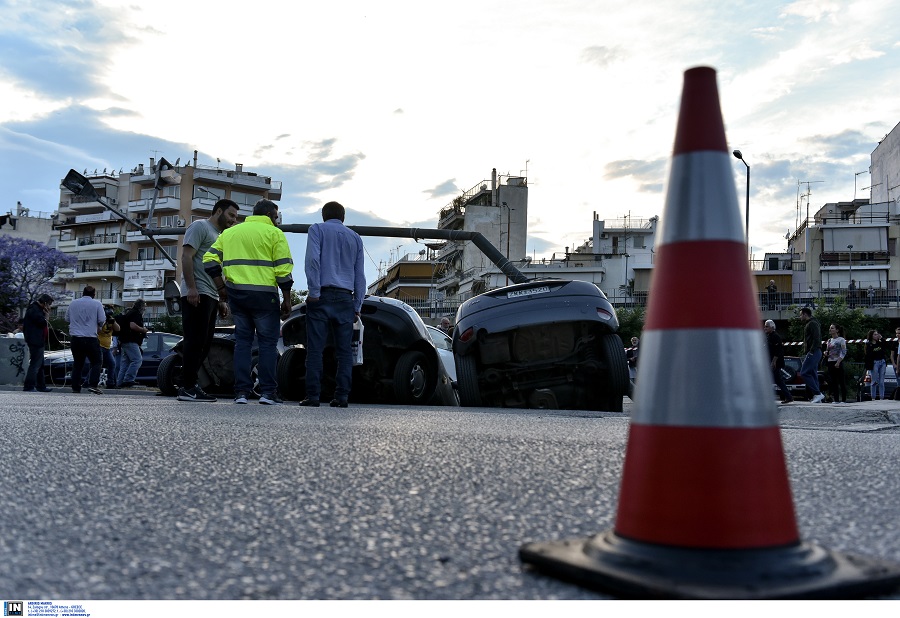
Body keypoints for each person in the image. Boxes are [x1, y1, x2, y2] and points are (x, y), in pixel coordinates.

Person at [204, 199, 293, 405]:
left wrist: (221, 288)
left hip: (238, 295)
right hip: (265, 297)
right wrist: (287, 300)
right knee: (268, 345)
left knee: (242, 344)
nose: (277, 221)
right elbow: (282, 270)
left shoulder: (230, 233)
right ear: (270, 215)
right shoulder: (275, 234)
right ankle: (268, 393)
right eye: (276, 217)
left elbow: (209, 259)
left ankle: (241, 393)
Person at [301, 201, 366, 408]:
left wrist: (314, 292)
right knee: (345, 351)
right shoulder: (355, 237)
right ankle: (342, 396)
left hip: (322, 296)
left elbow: (313, 261)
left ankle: (312, 396)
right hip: (346, 298)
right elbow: (360, 275)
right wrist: (357, 305)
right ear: (343, 217)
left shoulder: (317, 229)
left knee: (315, 350)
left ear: (323, 215)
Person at [176, 198, 239, 402]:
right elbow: (186, 257)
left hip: (211, 294)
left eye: (235, 217)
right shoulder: (200, 226)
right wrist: (191, 288)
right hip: (197, 292)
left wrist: (221, 299)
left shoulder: (219, 236)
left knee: (204, 342)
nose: (233, 220)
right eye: (231, 215)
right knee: (195, 341)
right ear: (218, 211)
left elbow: (215, 268)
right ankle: (187, 387)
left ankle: (189, 385)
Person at [65, 285, 105, 394]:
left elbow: (67, 318)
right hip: (90, 337)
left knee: (78, 363)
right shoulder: (97, 304)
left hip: (76, 338)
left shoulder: (73, 303)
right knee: (97, 361)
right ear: (94, 294)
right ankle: (93, 384)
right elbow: (102, 320)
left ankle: (75, 387)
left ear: (82, 293)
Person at [22, 293, 54, 392]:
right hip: (35, 340)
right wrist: (47, 315)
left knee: (40, 365)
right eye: (49, 304)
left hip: (36, 339)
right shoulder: (35, 310)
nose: (49, 307)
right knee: (35, 364)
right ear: (45, 303)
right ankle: (29, 385)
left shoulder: (34, 309)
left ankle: (41, 385)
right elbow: (43, 323)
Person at [82, 306, 120, 388]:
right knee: (97, 364)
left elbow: (118, 329)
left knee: (112, 364)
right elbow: (97, 330)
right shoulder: (99, 320)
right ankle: (87, 382)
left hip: (107, 347)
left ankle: (111, 383)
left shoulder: (111, 320)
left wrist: (112, 321)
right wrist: (103, 321)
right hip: (99, 346)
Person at [116, 298, 148, 388]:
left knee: (125, 363)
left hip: (124, 340)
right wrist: (143, 330)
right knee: (137, 360)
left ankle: (120, 382)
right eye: (144, 307)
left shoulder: (129, 313)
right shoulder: (136, 314)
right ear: (141, 306)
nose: (145, 309)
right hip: (131, 340)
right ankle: (129, 380)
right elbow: (133, 326)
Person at [798, 307, 824, 403]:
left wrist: (811, 351)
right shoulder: (812, 323)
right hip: (815, 351)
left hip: (814, 351)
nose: (800, 317)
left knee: (804, 373)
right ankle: (818, 397)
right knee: (813, 374)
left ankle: (817, 394)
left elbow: (816, 338)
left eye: (801, 314)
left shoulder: (812, 323)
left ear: (805, 314)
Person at [764, 320, 792, 404]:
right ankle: (788, 397)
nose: (765, 328)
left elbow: (778, 350)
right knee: (776, 380)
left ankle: (788, 397)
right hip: (770, 362)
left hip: (776, 363)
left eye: (767, 326)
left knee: (775, 380)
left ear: (772, 327)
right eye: (765, 326)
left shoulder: (775, 336)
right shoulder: (769, 336)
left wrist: (773, 362)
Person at [825, 323, 847, 404]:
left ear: (837, 330)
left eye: (832, 328)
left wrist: (838, 361)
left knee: (841, 381)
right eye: (830, 328)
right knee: (833, 382)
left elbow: (844, 351)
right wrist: (826, 353)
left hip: (838, 362)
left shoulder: (841, 340)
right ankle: (836, 399)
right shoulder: (829, 340)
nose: (830, 329)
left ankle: (844, 399)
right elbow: (828, 350)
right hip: (830, 361)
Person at [864, 329, 887, 400]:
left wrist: (881, 338)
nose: (876, 335)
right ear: (871, 336)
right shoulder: (869, 344)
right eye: (875, 334)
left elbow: (886, 346)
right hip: (874, 363)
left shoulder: (879, 343)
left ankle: (882, 397)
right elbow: (868, 355)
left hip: (882, 362)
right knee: (874, 381)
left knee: (881, 381)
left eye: (877, 334)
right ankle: (873, 397)